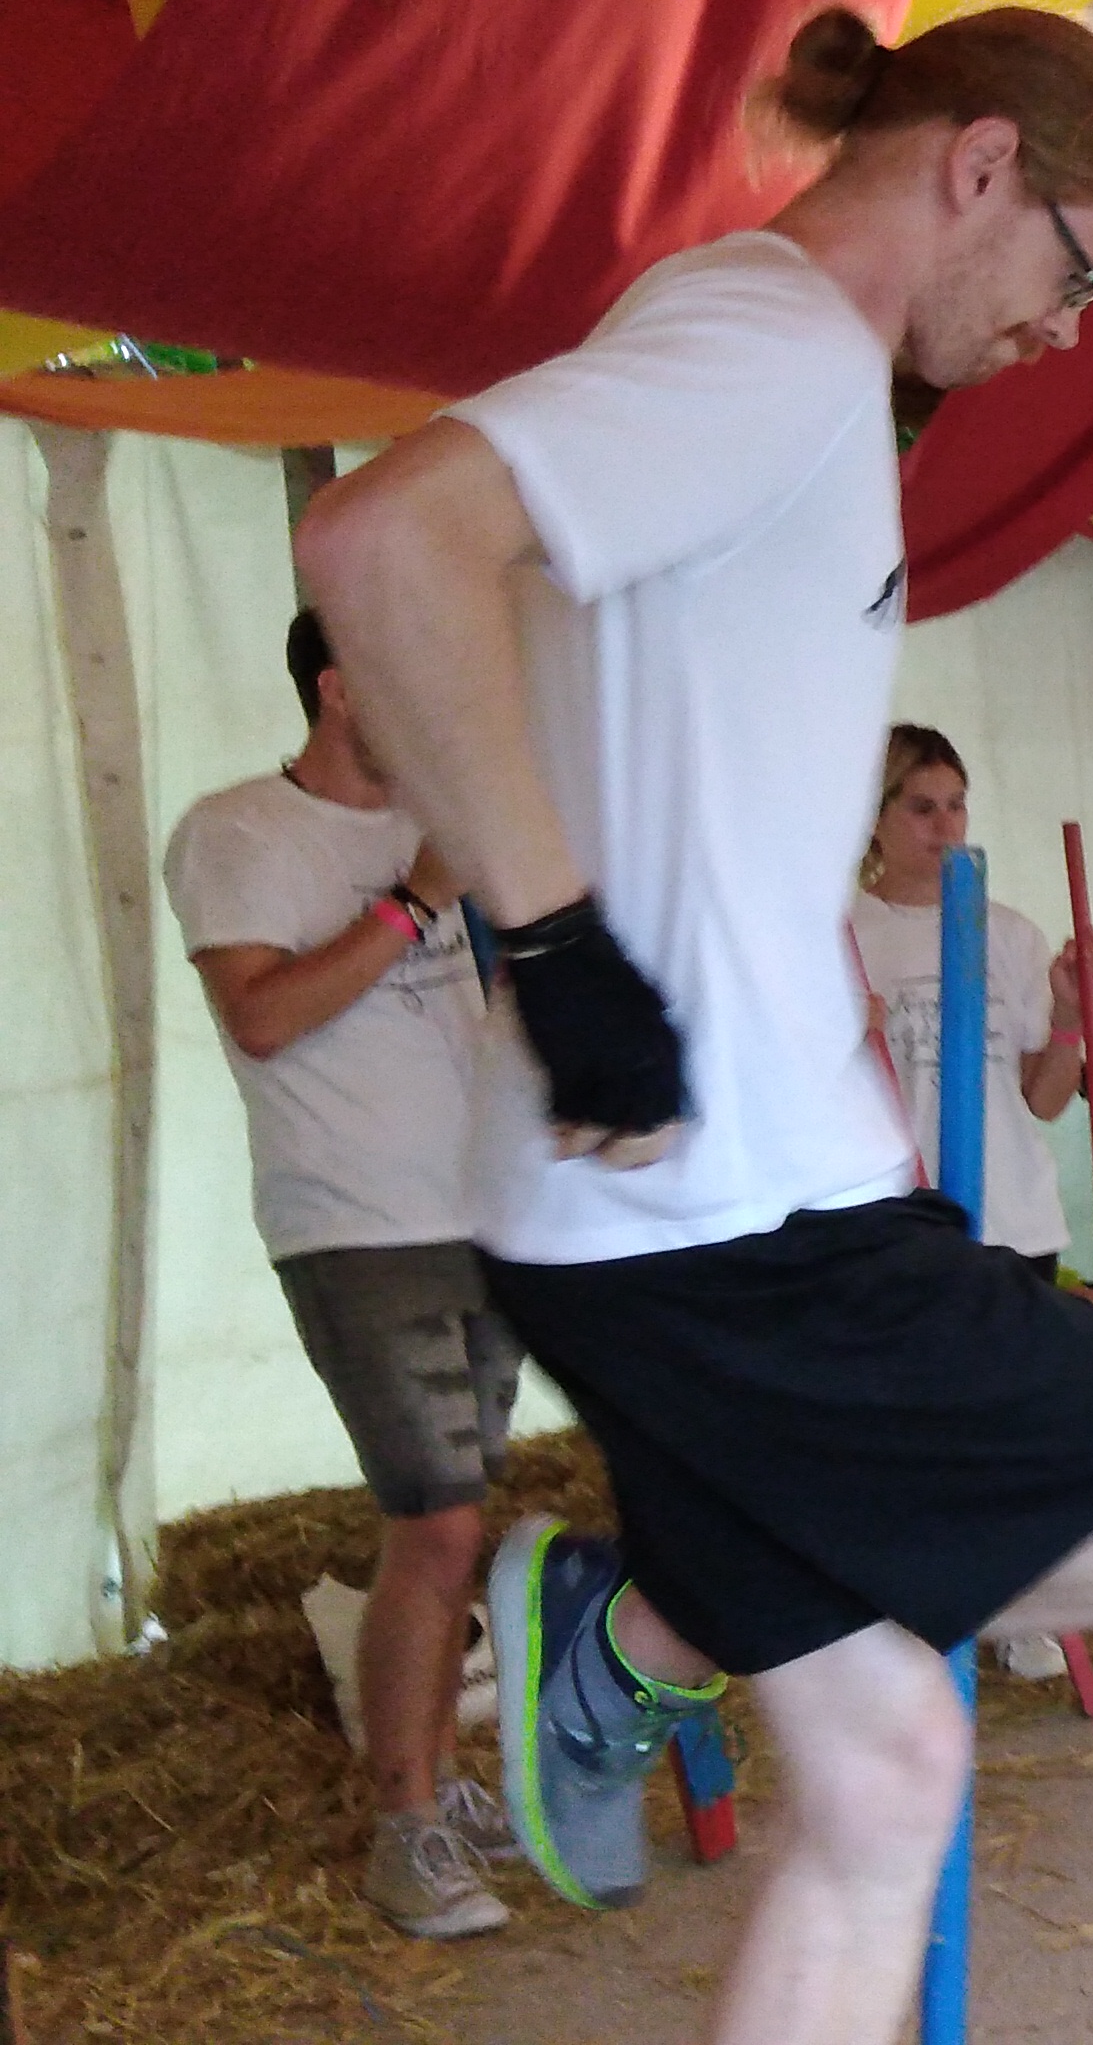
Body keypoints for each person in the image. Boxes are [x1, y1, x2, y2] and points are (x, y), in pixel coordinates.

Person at [295, 15, 1093, 2038]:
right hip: (717, 1214)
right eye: (1082, 269)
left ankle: (643, 1633)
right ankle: (642, 1627)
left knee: (887, 1783)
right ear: (978, 166)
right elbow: (378, 538)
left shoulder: (801, 376)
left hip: (737, 1186)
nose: (1067, 329)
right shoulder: (765, 340)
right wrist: (555, 938)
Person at [164, 611, 521, 1940]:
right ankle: (404, 1826)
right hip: (355, 1225)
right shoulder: (237, 832)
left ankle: (435, 1778)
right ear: (336, 687)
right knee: (435, 1521)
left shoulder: (441, 821)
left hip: (482, 1213)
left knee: (456, 1520)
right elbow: (261, 1015)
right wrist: (417, 898)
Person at [851, 725, 1092, 1286]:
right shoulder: (843, 937)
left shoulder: (1011, 934)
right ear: (874, 819)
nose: (946, 826)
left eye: (956, 805)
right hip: (900, 1222)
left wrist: (1069, 1017)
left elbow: (1046, 1102)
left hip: (1015, 1222)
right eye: (922, 808)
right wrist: (844, 1040)